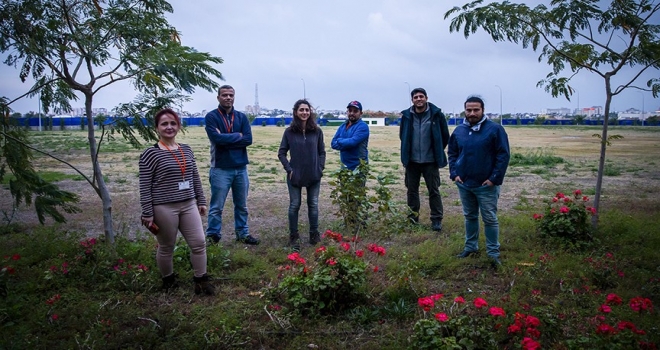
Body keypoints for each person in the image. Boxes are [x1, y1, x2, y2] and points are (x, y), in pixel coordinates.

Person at [139, 108, 214, 295]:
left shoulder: (186, 149)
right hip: (164, 207)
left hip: (188, 204)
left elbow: (194, 176)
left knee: (198, 243)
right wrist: (147, 213)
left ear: (179, 126)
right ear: (157, 128)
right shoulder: (150, 154)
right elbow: (145, 186)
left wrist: (201, 200)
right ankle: (168, 280)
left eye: (173, 123)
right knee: (166, 246)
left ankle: (200, 280)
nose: (169, 127)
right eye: (164, 124)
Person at [448, 96, 510, 265]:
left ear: (483, 110)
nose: (472, 113)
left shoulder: (495, 130)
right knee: (470, 216)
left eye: (476, 110)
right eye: (469, 110)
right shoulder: (459, 131)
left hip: (486, 185)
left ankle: (493, 253)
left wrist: (493, 179)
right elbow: (452, 153)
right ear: (465, 110)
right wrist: (454, 174)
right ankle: (470, 247)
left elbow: (503, 156)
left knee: (489, 219)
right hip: (464, 183)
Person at [204, 85, 259, 245]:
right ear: (218, 97)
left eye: (231, 95)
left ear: (234, 97)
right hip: (220, 168)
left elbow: (248, 139)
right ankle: (213, 236)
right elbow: (216, 139)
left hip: (241, 168)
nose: (228, 98)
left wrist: (227, 137)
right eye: (224, 95)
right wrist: (237, 136)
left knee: (241, 205)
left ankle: (242, 233)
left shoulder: (241, 117)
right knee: (216, 207)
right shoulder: (211, 117)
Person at [278, 99, 326, 250]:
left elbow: (322, 152)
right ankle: (294, 236)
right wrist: (289, 169)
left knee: (313, 204)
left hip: (313, 175)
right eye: (301, 110)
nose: (304, 112)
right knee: (294, 205)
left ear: (310, 112)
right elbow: (281, 153)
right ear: (295, 112)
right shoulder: (289, 132)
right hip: (295, 175)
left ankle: (314, 235)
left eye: (307, 110)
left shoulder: (317, 131)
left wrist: (320, 168)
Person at [399, 87, 450, 231]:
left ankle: (436, 220)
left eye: (421, 96)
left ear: (426, 98)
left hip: (430, 161)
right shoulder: (406, 116)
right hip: (412, 162)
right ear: (412, 100)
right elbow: (403, 136)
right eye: (416, 97)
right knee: (412, 191)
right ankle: (413, 219)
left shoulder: (436, 115)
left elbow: (444, 136)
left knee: (434, 190)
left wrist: (437, 150)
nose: (419, 99)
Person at [331, 100, 369, 170]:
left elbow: (352, 142)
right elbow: (333, 144)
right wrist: (347, 144)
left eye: (355, 111)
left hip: (358, 168)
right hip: (344, 168)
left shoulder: (363, 126)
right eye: (350, 110)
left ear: (361, 113)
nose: (352, 113)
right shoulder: (342, 126)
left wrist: (339, 140)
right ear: (347, 112)